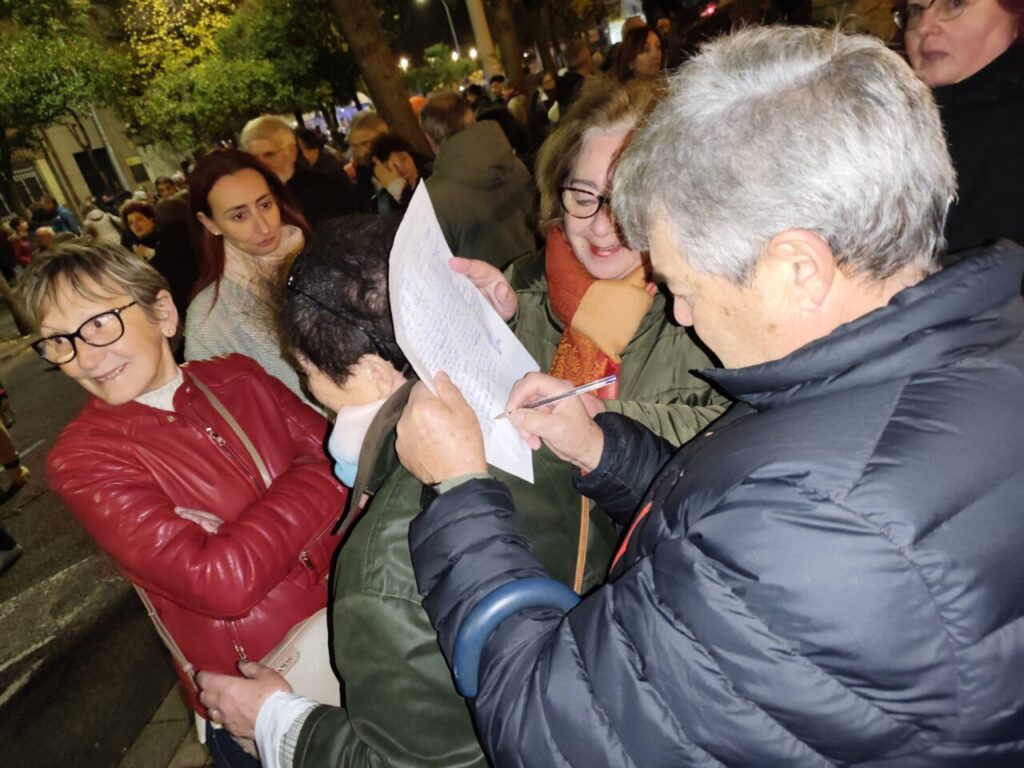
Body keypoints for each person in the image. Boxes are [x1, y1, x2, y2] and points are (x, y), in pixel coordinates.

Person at [395, 26, 1024, 765]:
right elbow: (759, 484)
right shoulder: (975, 341)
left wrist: (461, 488)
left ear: (798, 268)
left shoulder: (824, 533)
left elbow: (546, 728)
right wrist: (603, 446)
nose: (682, 312)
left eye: (687, 285)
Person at [196, 214, 616, 768]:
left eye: (308, 370)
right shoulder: (541, 403)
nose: (308, 387)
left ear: (370, 371)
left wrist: (279, 721)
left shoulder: (382, 565)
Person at [23, 242, 346, 766]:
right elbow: (222, 581)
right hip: (267, 692)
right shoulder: (84, 459)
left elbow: (358, 473)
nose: (85, 356)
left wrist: (251, 524)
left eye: (101, 323)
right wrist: (318, 475)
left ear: (163, 313)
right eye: (59, 341)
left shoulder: (237, 377)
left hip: (362, 629)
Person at [460, 77, 727, 444]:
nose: (601, 227)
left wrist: (600, 424)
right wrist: (484, 328)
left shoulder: (707, 303)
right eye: (584, 198)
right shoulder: (518, 285)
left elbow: (738, 437)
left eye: (625, 202)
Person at [185, 149, 316, 407]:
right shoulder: (209, 319)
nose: (264, 226)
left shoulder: (329, 256)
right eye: (239, 216)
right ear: (210, 223)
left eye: (265, 205)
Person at [898, 0, 1023, 257]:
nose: (924, 27)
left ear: (1016, 14)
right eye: (915, 11)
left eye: (954, 3)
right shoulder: (898, 118)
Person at [420, 91, 535, 269]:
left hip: (485, 293)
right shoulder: (513, 163)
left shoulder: (433, 196)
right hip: (532, 280)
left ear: (429, 137)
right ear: (471, 118)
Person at [240, 115, 359, 228]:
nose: (261, 163)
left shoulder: (325, 190)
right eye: (253, 158)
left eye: (269, 154)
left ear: (292, 152)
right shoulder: (246, 197)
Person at [368, 133, 430, 213]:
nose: (401, 169)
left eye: (403, 159)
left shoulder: (431, 180)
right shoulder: (381, 205)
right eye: (391, 167)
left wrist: (398, 188)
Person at [344, 110, 390, 211]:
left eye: (365, 144)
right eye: (354, 146)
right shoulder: (362, 172)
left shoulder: (410, 166)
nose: (360, 152)